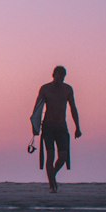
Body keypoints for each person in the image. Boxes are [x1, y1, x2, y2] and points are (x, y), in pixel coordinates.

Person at [31, 65, 81, 194]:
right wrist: (35, 128)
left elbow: (73, 108)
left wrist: (77, 127)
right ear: (53, 75)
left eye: (63, 77)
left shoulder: (68, 89)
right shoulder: (45, 89)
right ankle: (52, 185)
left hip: (62, 127)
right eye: (59, 76)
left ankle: (52, 175)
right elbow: (37, 108)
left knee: (63, 157)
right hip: (48, 127)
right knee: (50, 156)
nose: (61, 79)